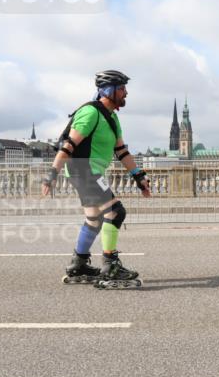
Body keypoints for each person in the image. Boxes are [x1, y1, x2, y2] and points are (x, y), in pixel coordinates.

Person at [42, 70, 151, 289]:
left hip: (89, 171)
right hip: (83, 169)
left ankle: (78, 264)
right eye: (121, 88)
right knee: (115, 211)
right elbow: (69, 145)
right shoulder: (90, 112)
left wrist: (138, 177)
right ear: (108, 90)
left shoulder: (112, 117)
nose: (126, 92)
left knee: (94, 219)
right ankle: (110, 265)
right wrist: (51, 174)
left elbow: (121, 151)